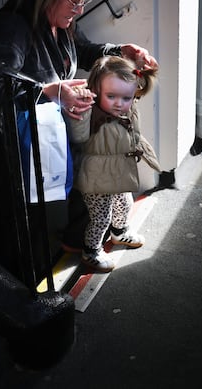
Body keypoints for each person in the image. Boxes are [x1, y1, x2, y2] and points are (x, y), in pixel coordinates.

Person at [0, 0, 158, 281]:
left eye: (84, 1)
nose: (80, 9)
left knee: (86, 172)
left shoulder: (60, 21)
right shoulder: (13, 27)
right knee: (18, 213)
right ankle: (10, 285)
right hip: (10, 138)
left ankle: (77, 240)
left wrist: (121, 51)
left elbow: (84, 51)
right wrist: (48, 91)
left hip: (48, 129)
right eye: (75, 1)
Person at [65, 55, 160, 272]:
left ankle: (119, 233)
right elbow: (78, 137)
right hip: (96, 179)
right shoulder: (91, 113)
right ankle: (91, 251)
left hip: (117, 172)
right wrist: (78, 109)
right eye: (111, 96)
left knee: (125, 203)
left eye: (126, 97)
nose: (119, 103)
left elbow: (134, 121)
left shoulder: (127, 108)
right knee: (100, 218)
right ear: (96, 91)